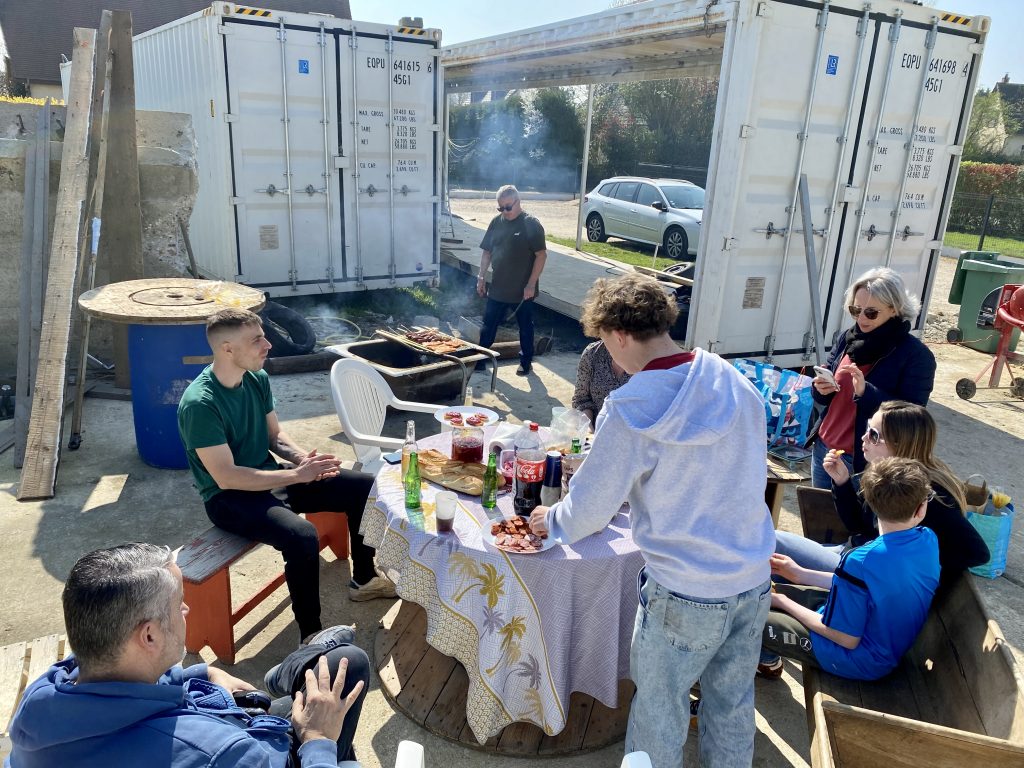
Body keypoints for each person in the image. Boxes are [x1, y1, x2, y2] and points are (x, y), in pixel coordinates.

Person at [528, 273, 774, 767]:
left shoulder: (631, 406)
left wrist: (551, 520)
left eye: (604, 342)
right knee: (731, 705)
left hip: (684, 589)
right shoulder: (730, 379)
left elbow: (590, 509)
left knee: (660, 712)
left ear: (619, 335)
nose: (609, 357)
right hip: (751, 578)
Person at [5, 543, 370, 767]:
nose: (187, 610)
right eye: (178, 603)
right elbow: (217, 751)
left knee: (330, 672)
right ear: (149, 635)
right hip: (254, 746)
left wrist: (203, 673)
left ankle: (290, 671)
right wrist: (318, 741)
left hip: (209, 719)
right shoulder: (220, 753)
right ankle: (295, 670)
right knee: (346, 669)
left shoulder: (43, 698)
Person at [177, 309, 394, 645]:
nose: (268, 345)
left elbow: (274, 437)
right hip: (228, 498)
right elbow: (227, 477)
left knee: (363, 486)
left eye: (264, 336)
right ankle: (311, 635)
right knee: (301, 535)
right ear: (227, 349)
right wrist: (297, 474)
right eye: (257, 340)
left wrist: (305, 460)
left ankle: (364, 579)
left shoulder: (256, 379)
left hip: (271, 477)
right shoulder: (200, 404)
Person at [773, 401, 988, 594]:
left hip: (864, 573)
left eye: (874, 435)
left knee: (774, 543)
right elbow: (858, 526)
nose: (864, 437)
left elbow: (977, 552)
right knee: (773, 561)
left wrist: (906, 570)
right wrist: (842, 483)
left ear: (900, 444)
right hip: (854, 556)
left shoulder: (926, 493)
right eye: (867, 428)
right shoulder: (888, 477)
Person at [761, 457, 940, 681]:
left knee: (747, 616)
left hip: (858, 660)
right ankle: (765, 656)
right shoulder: (927, 540)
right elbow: (863, 584)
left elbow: (844, 638)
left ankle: (763, 661)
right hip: (885, 646)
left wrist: (782, 602)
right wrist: (800, 574)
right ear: (921, 509)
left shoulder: (860, 560)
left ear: (870, 502)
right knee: (767, 598)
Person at [808, 267, 936, 488]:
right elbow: (826, 396)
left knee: (853, 513)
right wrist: (820, 388)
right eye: (855, 309)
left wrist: (866, 393)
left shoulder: (917, 356)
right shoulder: (848, 338)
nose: (860, 318)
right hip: (824, 450)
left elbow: (913, 419)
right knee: (815, 511)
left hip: (865, 462)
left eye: (871, 312)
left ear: (894, 309)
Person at [476, 184, 548, 376]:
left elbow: (541, 255)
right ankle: (480, 359)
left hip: (523, 290)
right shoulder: (496, 222)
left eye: (508, 207)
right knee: (488, 326)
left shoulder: (530, 224)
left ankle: (526, 362)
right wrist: (481, 276)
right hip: (498, 287)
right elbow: (487, 252)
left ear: (518, 201)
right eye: (501, 208)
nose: (505, 211)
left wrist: (531, 284)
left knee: (525, 327)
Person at [571, 339, 631, 426]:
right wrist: (588, 427)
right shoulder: (592, 353)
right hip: (596, 431)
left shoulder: (647, 358)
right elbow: (581, 400)